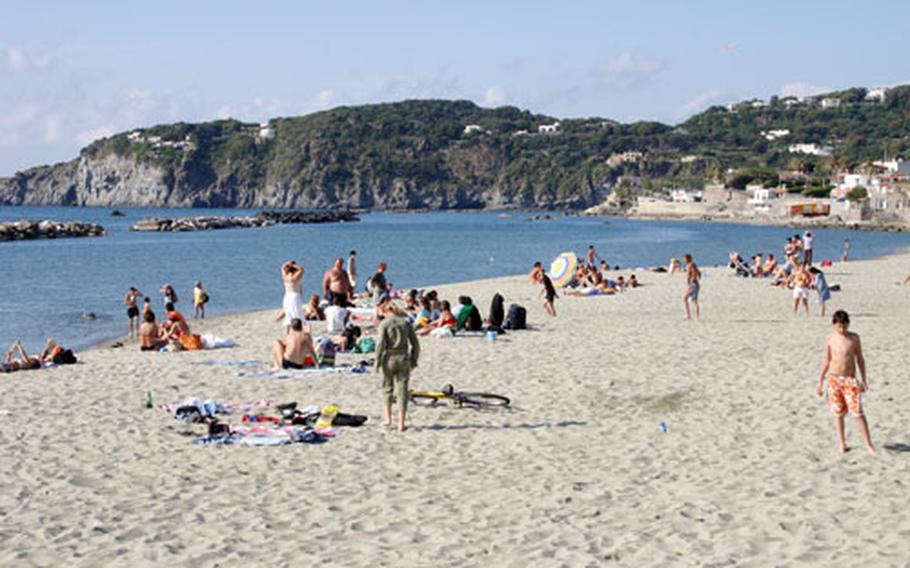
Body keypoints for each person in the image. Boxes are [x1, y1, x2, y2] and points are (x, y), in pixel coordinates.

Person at [816, 310, 875, 454]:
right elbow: (827, 360)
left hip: (850, 379)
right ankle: (842, 443)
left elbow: (860, 359)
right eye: (839, 327)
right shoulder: (830, 338)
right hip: (834, 379)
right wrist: (820, 381)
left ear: (848, 324)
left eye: (844, 326)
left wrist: (864, 379)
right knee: (838, 413)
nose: (842, 330)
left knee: (858, 412)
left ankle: (868, 444)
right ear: (834, 325)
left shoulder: (854, 338)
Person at [375, 302, 420, 432]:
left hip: (388, 357)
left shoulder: (384, 324)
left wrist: (377, 362)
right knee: (402, 390)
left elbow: (380, 344)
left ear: (385, 311)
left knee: (387, 389)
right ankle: (401, 423)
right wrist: (414, 360)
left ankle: (388, 419)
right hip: (403, 357)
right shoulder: (405, 323)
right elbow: (415, 344)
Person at [279, 260, 304, 331]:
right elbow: (301, 269)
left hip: (287, 296)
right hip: (295, 296)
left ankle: (288, 332)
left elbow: (282, 267)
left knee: (288, 315)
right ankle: (300, 330)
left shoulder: (285, 276)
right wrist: (293, 265)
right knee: (297, 314)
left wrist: (288, 263)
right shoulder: (295, 277)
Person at [683, 253, 701, 320]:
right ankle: (696, 317)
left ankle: (689, 315)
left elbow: (694, 272)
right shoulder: (692, 265)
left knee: (685, 299)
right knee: (694, 301)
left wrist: (692, 279)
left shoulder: (690, 265)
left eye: (684, 259)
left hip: (693, 284)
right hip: (694, 284)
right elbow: (699, 273)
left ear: (687, 259)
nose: (684, 260)